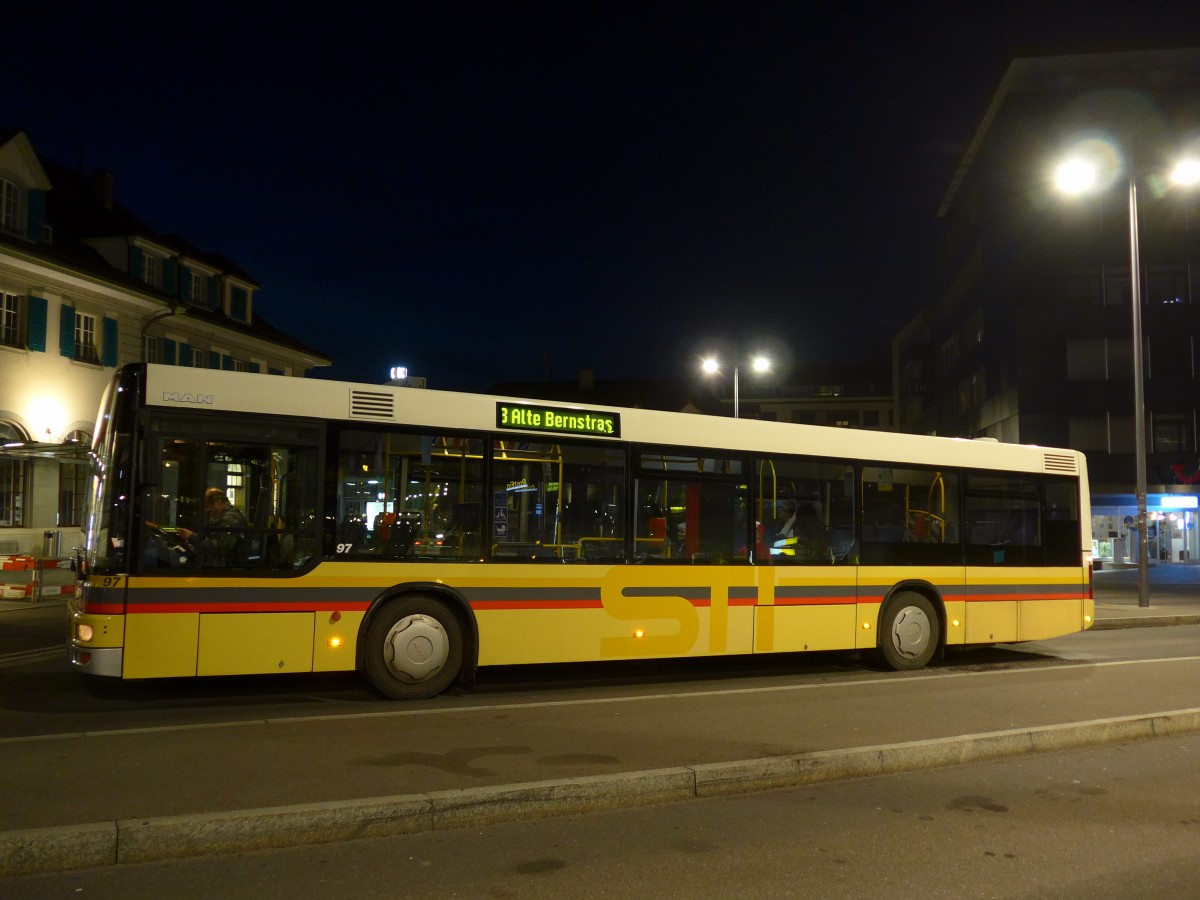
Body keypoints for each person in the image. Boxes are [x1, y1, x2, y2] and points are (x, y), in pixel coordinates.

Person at [178, 488, 248, 566]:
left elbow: (220, 548)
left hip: (225, 569)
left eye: (209, 509)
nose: (209, 514)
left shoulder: (230, 519)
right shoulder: (223, 518)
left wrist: (192, 536)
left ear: (218, 503)